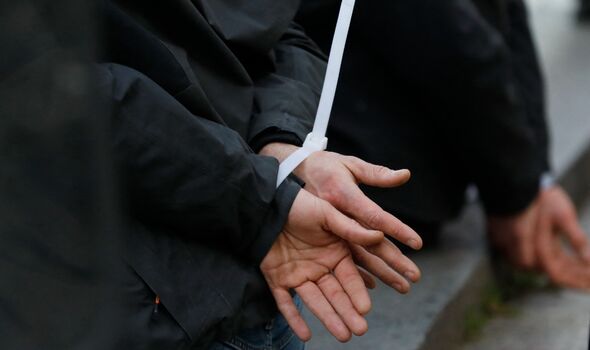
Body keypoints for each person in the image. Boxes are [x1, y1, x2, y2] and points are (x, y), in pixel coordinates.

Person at [99, 0, 423, 348]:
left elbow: (281, 30)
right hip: (152, 304)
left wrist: (281, 144)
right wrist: (264, 202)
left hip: (267, 262)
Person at [297, 0, 590, 289]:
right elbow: (456, 44)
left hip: (410, 170)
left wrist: (536, 180)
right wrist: (515, 193)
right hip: (370, 176)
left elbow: (506, 18)